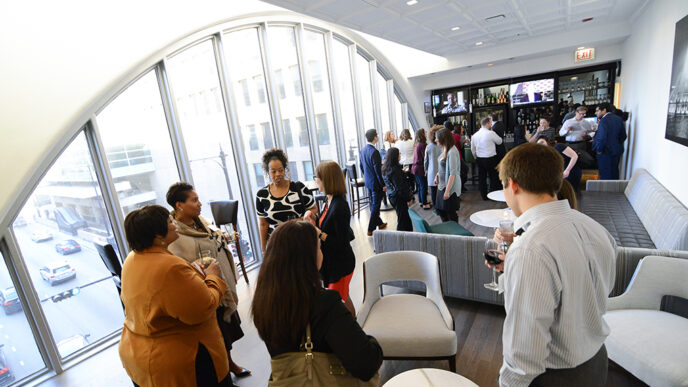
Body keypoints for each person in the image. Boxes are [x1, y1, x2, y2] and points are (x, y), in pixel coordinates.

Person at [488, 143, 616, 387]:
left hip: (555, 376)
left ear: (513, 185)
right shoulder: (596, 229)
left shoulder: (530, 249)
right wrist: (513, 272)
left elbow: (524, 351)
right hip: (597, 361)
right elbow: (592, 288)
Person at [251, 221, 383, 382]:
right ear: (307, 258)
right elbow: (366, 364)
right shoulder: (324, 304)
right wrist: (372, 341)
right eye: (319, 248)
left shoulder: (263, 303)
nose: (322, 253)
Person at [119, 205, 231, 387]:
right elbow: (203, 309)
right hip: (182, 361)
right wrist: (212, 277)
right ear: (157, 235)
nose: (174, 224)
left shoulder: (132, 259)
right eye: (170, 222)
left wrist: (191, 272)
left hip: (138, 353)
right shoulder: (170, 267)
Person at [166, 183, 250, 381]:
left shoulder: (199, 221)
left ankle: (228, 363)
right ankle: (225, 370)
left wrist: (225, 238)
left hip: (221, 284)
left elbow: (214, 238)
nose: (199, 204)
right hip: (204, 290)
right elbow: (184, 264)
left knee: (226, 331)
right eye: (194, 200)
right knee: (217, 333)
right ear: (179, 205)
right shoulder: (175, 233)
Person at [304, 160, 356, 316]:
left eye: (317, 177)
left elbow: (340, 243)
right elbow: (329, 227)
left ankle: (352, 329)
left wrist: (317, 232)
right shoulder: (330, 200)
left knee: (337, 303)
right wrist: (315, 219)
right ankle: (355, 327)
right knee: (343, 298)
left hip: (341, 264)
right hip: (333, 263)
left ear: (326, 180)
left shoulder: (340, 206)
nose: (316, 180)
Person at [255, 148, 316, 252]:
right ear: (267, 172)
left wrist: (303, 218)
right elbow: (263, 224)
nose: (278, 174)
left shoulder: (298, 188)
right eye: (273, 171)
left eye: (281, 170)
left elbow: (314, 208)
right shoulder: (262, 195)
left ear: (285, 169)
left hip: (301, 241)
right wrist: (263, 249)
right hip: (277, 245)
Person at [360, 129, 387, 237]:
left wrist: (367, 176)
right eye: (377, 135)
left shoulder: (363, 150)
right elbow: (378, 171)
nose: (378, 136)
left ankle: (379, 223)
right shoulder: (374, 152)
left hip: (368, 182)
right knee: (376, 205)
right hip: (376, 184)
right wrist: (383, 184)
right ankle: (370, 229)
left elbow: (361, 166)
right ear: (375, 137)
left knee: (373, 203)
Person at [471, 117, 503, 200]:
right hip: (490, 158)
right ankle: (493, 195)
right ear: (487, 124)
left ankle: (484, 196)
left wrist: (476, 157)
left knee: (482, 178)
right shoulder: (490, 133)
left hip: (480, 159)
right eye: (490, 123)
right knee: (493, 177)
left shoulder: (475, 135)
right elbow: (500, 141)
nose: (491, 124)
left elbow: (472, 149)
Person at [593, 103, 627, 180]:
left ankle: (605, 191)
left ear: (604, 110)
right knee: (614, 172)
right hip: (616, 151)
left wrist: (599, 149)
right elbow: (623, 136)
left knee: (605, 174)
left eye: (597, 111)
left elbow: (602, 138)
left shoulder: (603, 120)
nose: (596, 113)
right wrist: (616, 144)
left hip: (605, 152)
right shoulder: (618, 119)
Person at [434, 129, 462, 222]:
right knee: (441, 211)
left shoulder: (452, 151)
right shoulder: (445, 149)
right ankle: (447, 232)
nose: (435, 140)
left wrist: (447, 191)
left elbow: (452, 173)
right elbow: (443, 166)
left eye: (437, 138)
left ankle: (454, 234)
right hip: (442, 185)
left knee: (450, 213)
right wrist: (437, 175)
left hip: (449, 187)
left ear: (443, 139)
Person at [382, 147, 413, 231]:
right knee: (403, 220)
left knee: (403, 218)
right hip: (398, 198)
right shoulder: (395, 170)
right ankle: (401, 239)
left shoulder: (386, 168)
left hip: (392, 196)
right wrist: (408, 198)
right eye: (399, 154)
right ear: (395, 156)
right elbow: (400, 188)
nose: (400, 155)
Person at [412, 128, 431, 209]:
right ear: (422, 134)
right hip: (420, 168)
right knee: (423, 186)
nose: (426, 133)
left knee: (419, 186)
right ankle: (424, 204)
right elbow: (425, 158)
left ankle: (421, 201)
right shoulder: (423, 145)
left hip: (415, 168)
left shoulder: (417, 144)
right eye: (425, 132)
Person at [424, 126, 442, 209]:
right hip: (442, 171)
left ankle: (436, 208)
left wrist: (425, 170)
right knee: (442, 190)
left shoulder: (428, 147)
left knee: (433, 192)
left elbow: (426, 161)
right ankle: (442, 207)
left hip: (432, 171)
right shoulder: (442, 146)